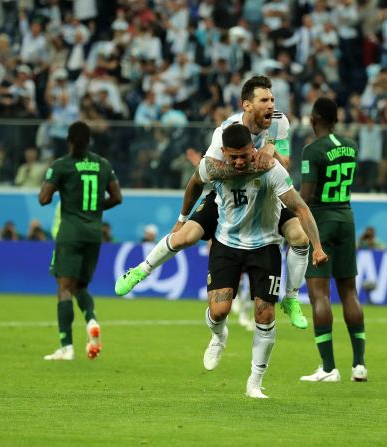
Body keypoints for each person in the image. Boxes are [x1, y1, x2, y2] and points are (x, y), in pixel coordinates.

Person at [115, 76, 311, 329]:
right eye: (265, 100)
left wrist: (271, 151)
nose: (271, 105)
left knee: (298, 235)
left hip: (264, 194)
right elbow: (206, 172)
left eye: (272, 99)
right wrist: (182, 218)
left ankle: (292, 298)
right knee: (184, 236)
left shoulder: (279, 122)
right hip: (226, 197)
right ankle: (141, 269)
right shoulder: (225, 132)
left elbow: (285, 163)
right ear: (247, 105)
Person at [197, 124, 327, 398]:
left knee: (265, 314)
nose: (240, 161)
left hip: (264, 245)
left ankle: (254, 383)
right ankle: (219, 336)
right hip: (227, 242)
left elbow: (300, 207)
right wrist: (183, 219)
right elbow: (192, 185)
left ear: (252, 148)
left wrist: (316, 246)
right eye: (234, 157)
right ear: (224, 153)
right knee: (219, 311)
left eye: (245, 154)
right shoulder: (214, 168)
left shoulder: (270, 170)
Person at [39, 121, 122, 361]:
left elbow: (44, 199)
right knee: (81, 286)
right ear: (89, 141)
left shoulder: (62, 165)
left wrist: (52, 182)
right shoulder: (103, 164)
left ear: (69, 140)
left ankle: (66, 347)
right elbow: (117, 197)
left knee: (64, 288)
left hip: (70, 233)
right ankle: (92, 320)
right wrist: (96, 209)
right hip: (94, 233)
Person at [297, 97, 367, 382]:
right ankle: (359, 365)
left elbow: (306, 197)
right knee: (349, 291)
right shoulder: (351, 146)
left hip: (321, 222)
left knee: (320, 295)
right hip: (346, 217)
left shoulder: (312, 150)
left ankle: (328, 368)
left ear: (314, 119)